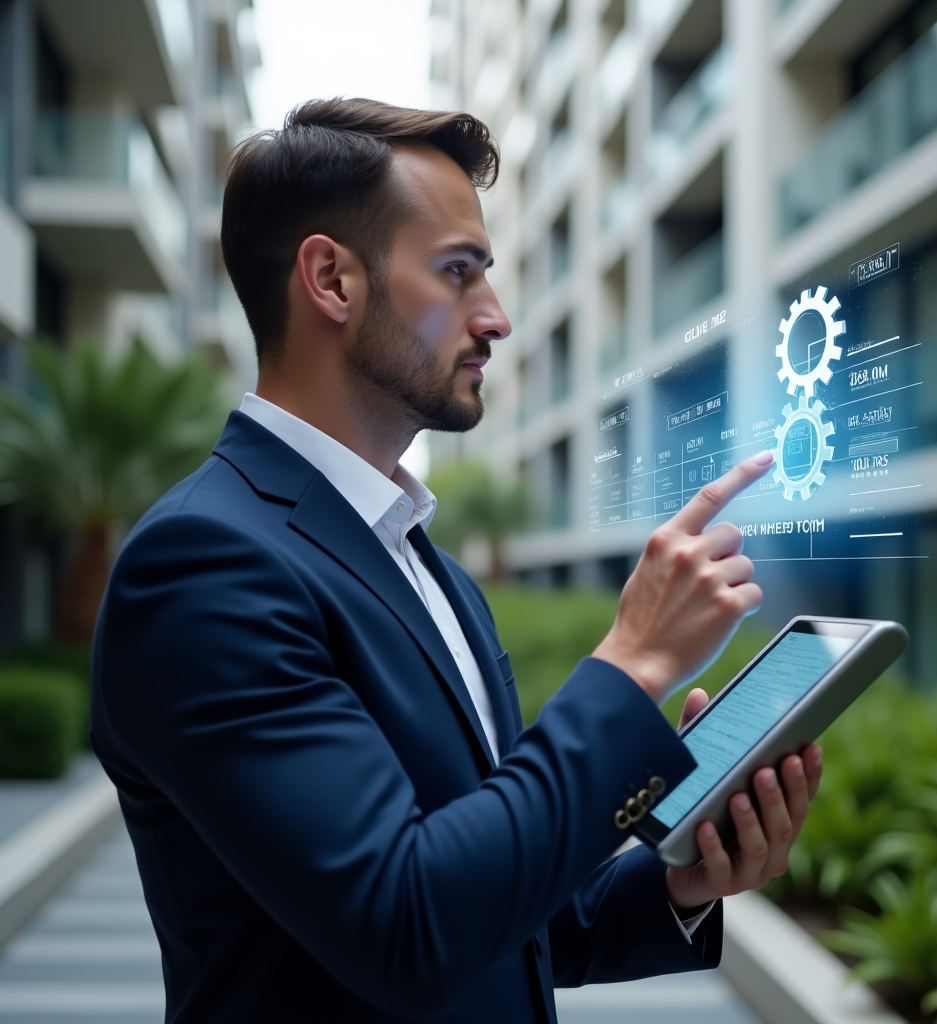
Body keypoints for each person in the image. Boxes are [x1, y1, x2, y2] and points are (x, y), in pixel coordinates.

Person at [91, 99, 822, 1023]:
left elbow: (502, 912)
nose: (499, 318)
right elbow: (406, 926)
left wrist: (683, 881)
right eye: (458, 273)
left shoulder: (422, 563)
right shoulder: (203, 567)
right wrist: (632, 664)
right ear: (332, 281)